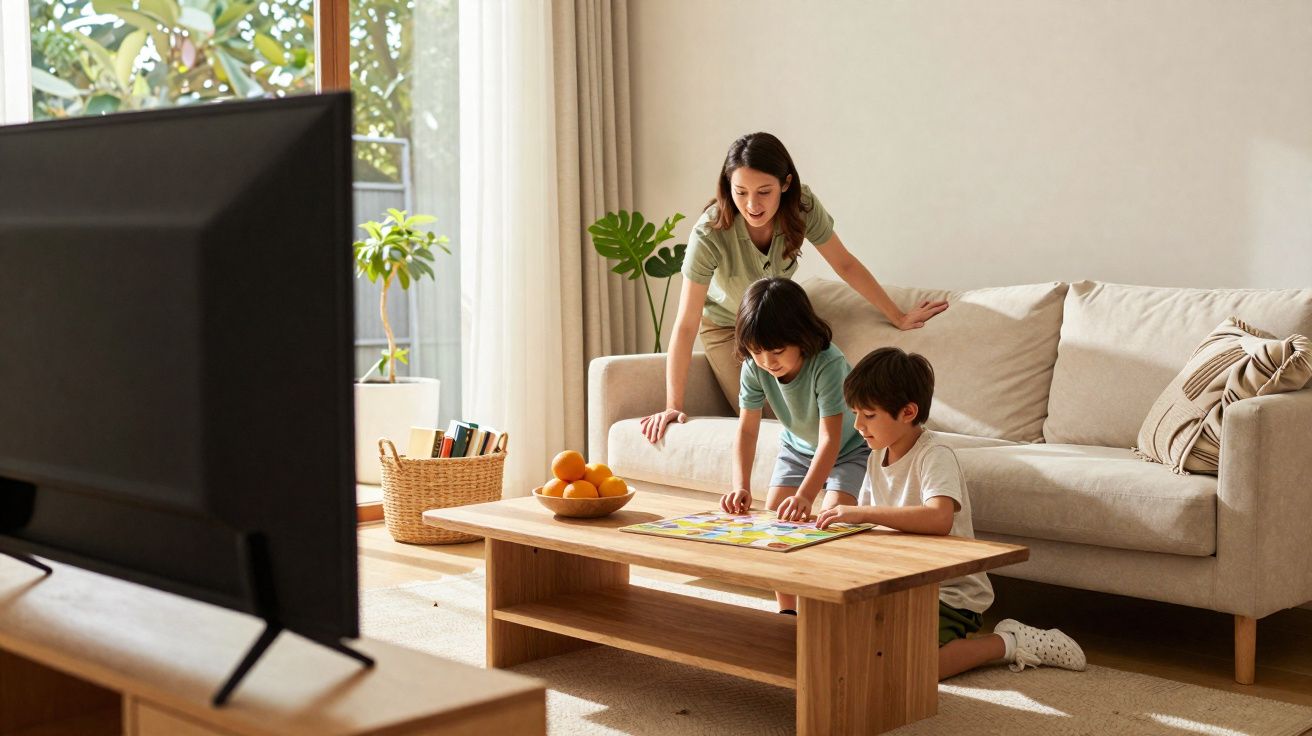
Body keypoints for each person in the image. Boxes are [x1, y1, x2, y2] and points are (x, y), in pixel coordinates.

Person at [640, 131, 948, 443]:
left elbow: (845, 264)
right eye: (740, 192)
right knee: (773, 422)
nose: (752, 204)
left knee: (835, 411)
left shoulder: (802, 207)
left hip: (781, 326)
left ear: (785, 184)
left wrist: (898, 316)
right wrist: (673, 406)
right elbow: (686, 323)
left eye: (764, 192)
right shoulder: (710, 233)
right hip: (728, 330)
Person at [816, 346, 1087, 679]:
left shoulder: (934, 455)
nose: (858, 424)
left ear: (907, 412)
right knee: (845, 643)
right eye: (855, 413)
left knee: (914, 669)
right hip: (900, 587)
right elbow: (872, 526)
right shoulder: (876, 455)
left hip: (951, 593)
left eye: (869, 415)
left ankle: (1010, 641)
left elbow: (939, 517)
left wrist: (863, 513)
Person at [717, 278, 871, 615]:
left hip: (849, 449)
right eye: (757, 351)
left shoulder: (828, 363)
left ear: (801, 337)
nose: (767, 361)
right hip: (797, 449)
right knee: (775, 520)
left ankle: (825, 611)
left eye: (776, 351)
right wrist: (741, 486)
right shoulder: (754, 367)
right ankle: (788, 612)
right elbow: (747, 431)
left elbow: (830, 439)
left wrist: (805, 495)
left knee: (832, 521)